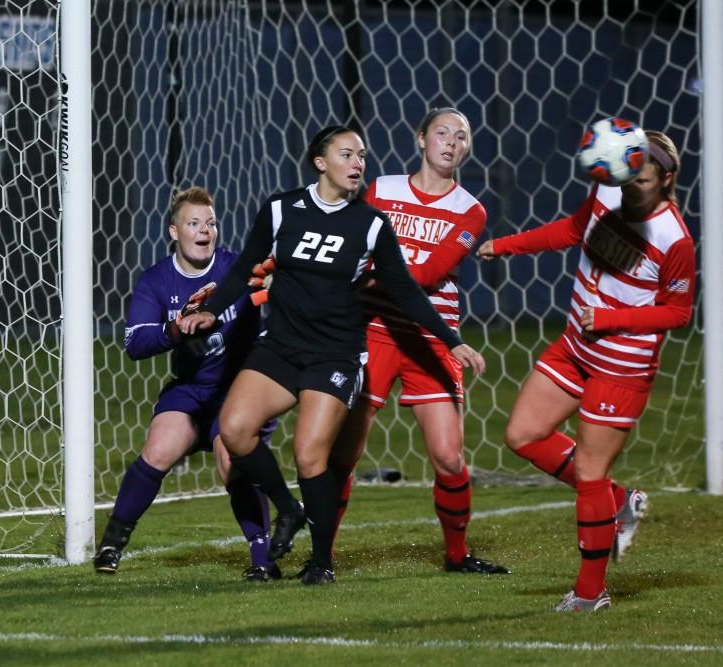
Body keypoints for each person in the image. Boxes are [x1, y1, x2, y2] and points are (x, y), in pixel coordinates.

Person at [179, 125, 486, 585]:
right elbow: (245, 268)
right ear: (320, 162)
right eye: (347, 154)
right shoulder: (282, 209)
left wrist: (451, 338)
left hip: (335, 353)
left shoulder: (370, 223)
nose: (358, 163)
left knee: (310, 456)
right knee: (236, 431)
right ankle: (287, 509)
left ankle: (321, 561)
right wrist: (209, 310)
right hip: (280, 347)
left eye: (362, 155)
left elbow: (405, 288)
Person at [477, 131, 694, 611]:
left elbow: (678, 312)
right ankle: (619, 501)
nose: (630, 183)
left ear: (666, 180)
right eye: (626, 173)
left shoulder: (673, 238)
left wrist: (613, 319)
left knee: (591, 473)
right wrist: (506, 245)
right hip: (576, 346)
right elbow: (574, 229)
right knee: (523, 434)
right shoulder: (607, 188)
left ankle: (590, 594)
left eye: (641, 177)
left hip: (621, 367)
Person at [328, 107, 509, 575]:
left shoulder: (470, 210)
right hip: (375, 332)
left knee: (449, 457)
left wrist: (370, 274)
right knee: (345, 452)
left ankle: (456, 555)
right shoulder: (380, 190)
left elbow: (427, 275)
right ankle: (322, 556)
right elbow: (351, 246)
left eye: (462, 137)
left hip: (433, 336)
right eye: (442, 133)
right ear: (421, 138)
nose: (452, 142)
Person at [93, 186, 281, 582]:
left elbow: (272, 295)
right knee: (159, 448)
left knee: (232, 461)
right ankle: (111, 543)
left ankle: (264, 558)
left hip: (238, 389)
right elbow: (135, 343)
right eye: (194, 223)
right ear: (173, 231)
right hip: (192, 388)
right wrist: (176, 329)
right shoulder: (157, 280)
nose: (204, 231)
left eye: (210, 223)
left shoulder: (239, 268)